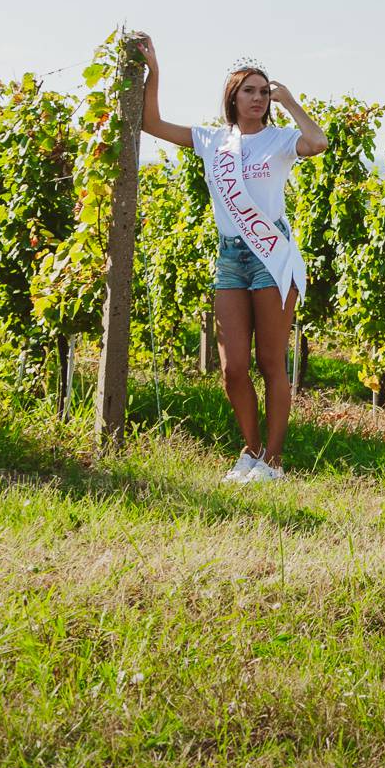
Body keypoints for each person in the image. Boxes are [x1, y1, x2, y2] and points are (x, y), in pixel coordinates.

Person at [138, 37, 327, 483]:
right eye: (250, 91)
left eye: (264, 92)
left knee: (270, 362)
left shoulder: (281, 141)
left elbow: (317, 141)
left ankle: (274, 463)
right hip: (230, 257)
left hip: (272, 256)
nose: (259, 99)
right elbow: (150, 123)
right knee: (232, 368)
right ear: (232, 96)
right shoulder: (211, 140)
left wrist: (291, 100)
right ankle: (252, 450)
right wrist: (156, 73)